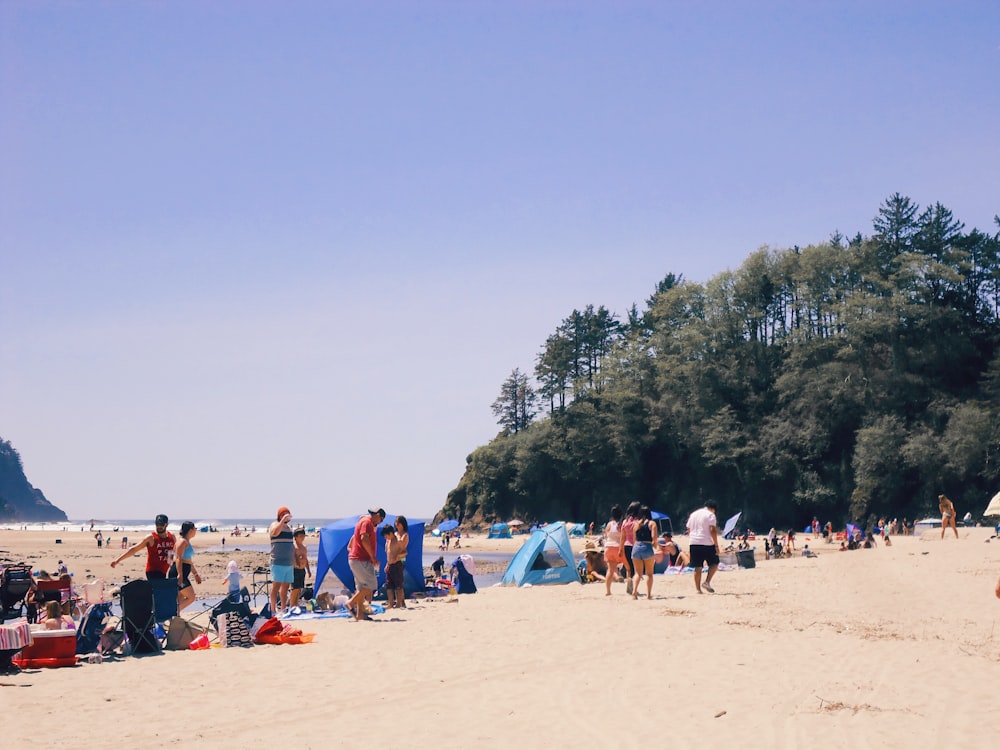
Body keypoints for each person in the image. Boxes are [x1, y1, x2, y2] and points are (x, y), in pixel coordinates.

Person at [346, 507, 384, 621]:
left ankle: (359, 614)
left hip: (357, 559)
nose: (379, 523)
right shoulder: (367, 522)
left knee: (361, 588)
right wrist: (372, 556)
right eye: (381, 520)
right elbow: (364, 538)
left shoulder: (364, 522)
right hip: (361, 559)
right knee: (371, 586)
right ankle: (350, 603)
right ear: (377, 515)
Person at [110, 514, 176, 580]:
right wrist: (117, 560)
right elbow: (134, 549)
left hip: (164, 571)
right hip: (153, 571)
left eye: (161, 525)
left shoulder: (171, 537)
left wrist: (172, 565)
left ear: (166, 525)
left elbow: (174, 552)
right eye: (157, 524)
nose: (159, 527)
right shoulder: (151, 538)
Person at [687, 501, 720, 594]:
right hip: (706, 542)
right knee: (714, 563)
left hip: (693, 542)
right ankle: (707, 581)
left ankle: (698, 589)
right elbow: (712, 530)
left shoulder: (693, 514)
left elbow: (689, 529)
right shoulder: (710, 515)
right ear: (713, 509)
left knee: (697, 567)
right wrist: (716, 545)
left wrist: (692, 538)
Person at [269, 507, 295, 615]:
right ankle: (273, 609)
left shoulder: (289, 528)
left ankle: (283, 608)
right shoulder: (275, 525)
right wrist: (281, 521)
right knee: (276, 586)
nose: (286, 516)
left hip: (288, 562)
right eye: (283, 514)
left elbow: (291, 544)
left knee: (285, 587)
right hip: (278, 561)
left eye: (287, 514)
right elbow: (274, 533)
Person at [171, 521, 202, 612]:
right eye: (195, 529)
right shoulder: (182, 542)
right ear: (190, 530)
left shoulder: (186, 541)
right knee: (191, 597)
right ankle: (172, 613)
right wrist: (180, 575)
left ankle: (175, 618)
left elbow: (188, 561)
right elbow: (178, 559)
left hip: (183, 572)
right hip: (179, 573)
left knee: (179, 600)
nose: (196, 531)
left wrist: (196, 574)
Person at [630, 506, 658, 600]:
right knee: (649, 573)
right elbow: (654, 538)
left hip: (636, 548)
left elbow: (634, 539)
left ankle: (634, 592)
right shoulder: (652, 523)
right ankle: (649, 595)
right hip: (647, 547)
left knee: (637, 573)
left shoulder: (636, 524)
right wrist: (655, 546)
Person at [387, 516, 409, 609]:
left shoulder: (405, 535)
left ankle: (401, 601)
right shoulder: (394, 534)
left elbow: (403, 549)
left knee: (398, 581)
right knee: (392, 581)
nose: (397, 524)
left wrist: (398, 556)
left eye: (398, 523)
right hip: (392, 559)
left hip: (401, 558)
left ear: (402, 524)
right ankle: (399, 601)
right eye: (396, 522)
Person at [603, 505, 624, 596]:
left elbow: (606, 535)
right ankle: (633, 588)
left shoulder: (609, 524)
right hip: (618, 547)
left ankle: (608, 591)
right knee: (628, 568)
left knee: (610, 570)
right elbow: (623, 537)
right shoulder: (621, 524)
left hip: (608, 547)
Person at [289, 526, 312, 608]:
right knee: (294, 589)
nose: (302, 538)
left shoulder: (304, 547)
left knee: (299, 589)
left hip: (302, 569)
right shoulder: (293, 546)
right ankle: (292, 605)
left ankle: (296, 604)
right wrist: (298, 558)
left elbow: (306, 559)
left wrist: (308, 570)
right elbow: (292, 557)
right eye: (300, 536)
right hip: (295, 569)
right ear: (295, 537)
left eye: (303, 536)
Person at [621, 501, 641, 595]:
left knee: (629, 568)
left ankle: (629, 587)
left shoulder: (625, 522)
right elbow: (635, 536)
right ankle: (634, 589)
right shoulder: (637, 522)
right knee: (635, 569)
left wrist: (620, 549)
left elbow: (622, 537)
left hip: (626, 546)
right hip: (634, 546)